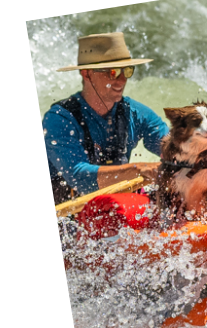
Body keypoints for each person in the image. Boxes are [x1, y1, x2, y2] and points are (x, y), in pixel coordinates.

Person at [44, 32, 169, 203]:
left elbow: (176, 149)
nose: (122, 80)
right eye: (113, 72)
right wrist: (139, 169)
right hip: (66, 217)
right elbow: (79, 178)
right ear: (87, 73)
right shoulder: (59, 120)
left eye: (127, 71)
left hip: (111, 209)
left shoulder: (136, 113)